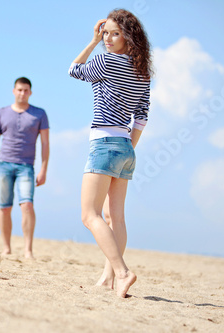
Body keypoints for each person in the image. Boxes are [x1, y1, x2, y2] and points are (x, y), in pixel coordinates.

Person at [68, 9, 153, 297]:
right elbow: (141, 118)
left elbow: (74, 70)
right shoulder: (143, 73)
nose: (107, 38)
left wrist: (91, 42)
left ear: (128, 37)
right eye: (105, 33)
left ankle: (122, 272)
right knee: (115, 216)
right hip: (127, 146)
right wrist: (126, 148)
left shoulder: (105, 61)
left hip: (104, 142)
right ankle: (107, 278)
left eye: (114, 33)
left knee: (89, 215)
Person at [0, 77, 50, 259]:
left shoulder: (39, 114)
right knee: (4, 207)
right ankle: (6, 247)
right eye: (19, 90)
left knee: (27, 205)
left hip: (26, 167)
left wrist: (43, 169)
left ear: (30, 92)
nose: (22, 93)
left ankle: (28, 249)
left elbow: (45, 143)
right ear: (14, 91)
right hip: (3, 164)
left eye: (26, 90)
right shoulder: (1, 113)